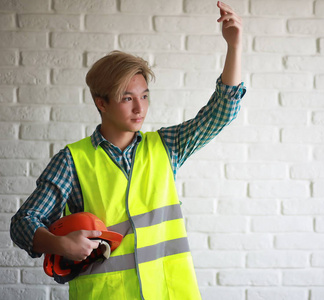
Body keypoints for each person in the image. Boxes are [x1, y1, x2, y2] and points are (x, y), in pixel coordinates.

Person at [10, 2, 245, 299]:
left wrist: (234, 46)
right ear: (102, 102)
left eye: (144, 96)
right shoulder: (72, 161)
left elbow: (221, 112)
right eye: (127, 97)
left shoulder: (167, 147)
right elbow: (23, 222)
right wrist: (60, 244)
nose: (140, 107)